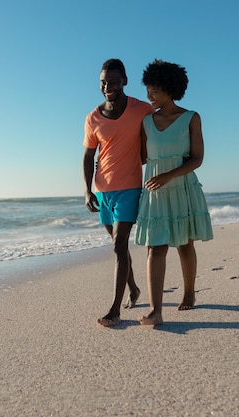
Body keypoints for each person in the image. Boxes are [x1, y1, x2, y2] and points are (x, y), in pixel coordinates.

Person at [135, 59, 214, 326]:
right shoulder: (146, 121)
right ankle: (156, 310)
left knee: (184, 243)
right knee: (154, 247)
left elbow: (197, 159)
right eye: (147, 89)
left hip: (181, 186)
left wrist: (169, 175)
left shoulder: (191, 118)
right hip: (154, 192)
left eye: (154, 90)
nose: (149, 95)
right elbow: (142, 157)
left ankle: (189, 291)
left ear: (170, 89)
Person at [83, 58, 154, 327]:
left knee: (118, 244)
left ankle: (114, 309)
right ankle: (134, 288)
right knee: (119, 247)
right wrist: (87, 191)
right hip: (103, 191)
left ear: (124, 80)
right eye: (103, 82)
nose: (107, 86)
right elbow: (88, 156)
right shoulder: (93, 117)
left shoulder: (142, 110)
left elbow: (156, 136)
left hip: (130, 188)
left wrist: (146, 159)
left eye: (112, 81)